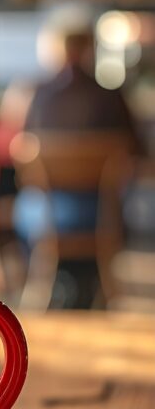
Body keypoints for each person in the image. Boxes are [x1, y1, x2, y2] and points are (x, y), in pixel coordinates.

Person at [11, 17, 141, 306]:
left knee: (23, 207)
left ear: (54, 51)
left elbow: (19, 156)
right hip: (102, 214)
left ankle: (46, 281)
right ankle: (93, 283)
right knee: (124, 203)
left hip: (47, 215)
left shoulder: (36, 96)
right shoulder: (111, 97)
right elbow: (137, 154)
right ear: (90, 50)